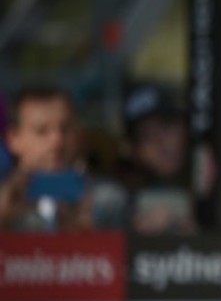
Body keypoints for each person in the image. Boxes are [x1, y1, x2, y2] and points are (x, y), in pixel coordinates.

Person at [0, 84, 128, 232]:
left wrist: (92, 236)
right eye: (41, 131)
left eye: (65, 128)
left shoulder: (109, 201)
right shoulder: (4, 201)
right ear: (13, 139)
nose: (56, 141)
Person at [117, 82, 198, 235]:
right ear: (134, 152)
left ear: (186, 126)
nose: (161, 143)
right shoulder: (123, 204)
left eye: (166, 126)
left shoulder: (218, 184)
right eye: (147, 136)